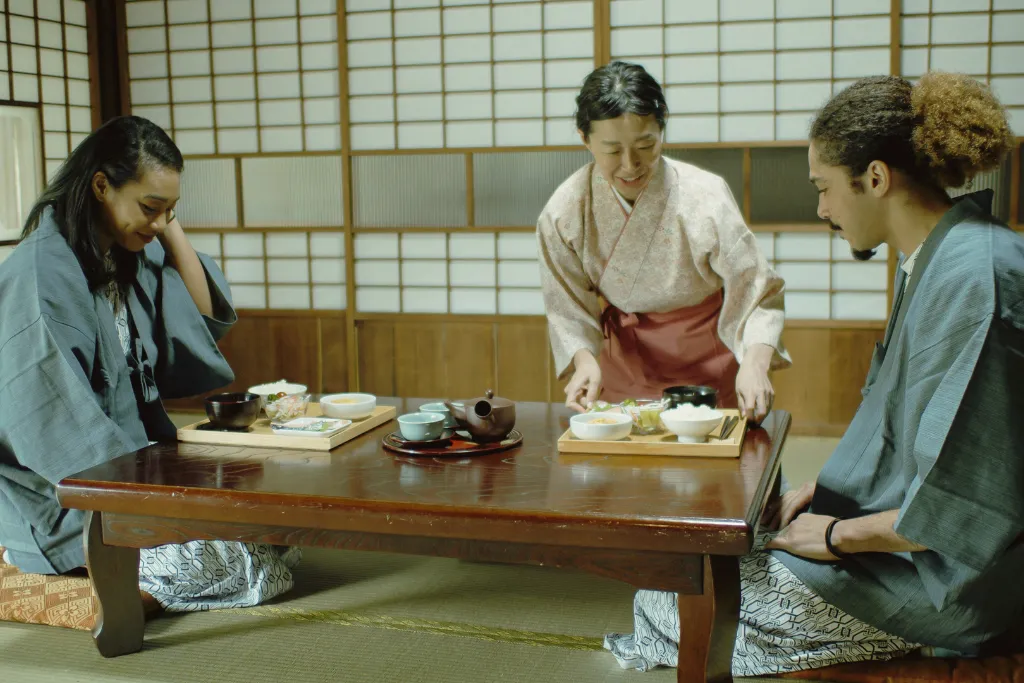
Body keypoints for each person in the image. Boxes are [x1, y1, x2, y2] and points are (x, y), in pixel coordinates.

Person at [603, 72, 1024, 677]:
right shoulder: (939, 257)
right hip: (903, 543)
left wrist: (835, 537)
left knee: (671, 608)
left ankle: (920, 644)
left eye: (825, 187)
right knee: (692, 577)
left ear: (875, 179)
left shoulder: (973, 279)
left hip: (948, 580)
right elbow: (894, 424)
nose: (822, 208)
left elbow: (969, 500)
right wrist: (833, 502)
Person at [0, 116, 299, 612]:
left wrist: (164, 221)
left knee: (275, 529)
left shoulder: (120, 251)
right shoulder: (41, 275)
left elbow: (202, 315)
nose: (158, 223)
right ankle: (85, 575)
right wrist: (148, 508)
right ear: (101, 185)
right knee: (249, 565)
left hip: (135, 474)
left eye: (170, 209)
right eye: (149, 206)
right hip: (68, 501)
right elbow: (51, 425)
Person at [537, 61, 790, 421]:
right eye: (612, 150)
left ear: (662, 132)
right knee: (629, 468)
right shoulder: (564, 212)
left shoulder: (705, 196)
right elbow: (567, 307)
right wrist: (583, 361)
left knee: (716, 470)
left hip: (708, 364)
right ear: (584, 138)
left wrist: (754, 362)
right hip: (623, 367)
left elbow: (757, 289)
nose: (630, 164)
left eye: (645, 144)